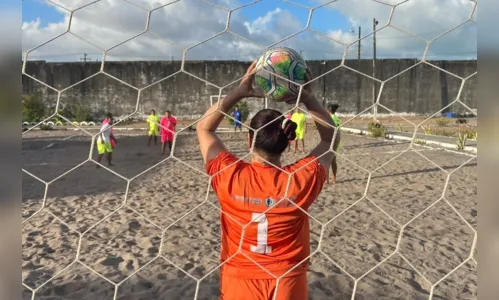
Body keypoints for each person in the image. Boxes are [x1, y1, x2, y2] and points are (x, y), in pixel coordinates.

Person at [196, 61, 339, 300]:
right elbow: (330, 139)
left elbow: (204, 129)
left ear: (249, 140)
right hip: (288, 279)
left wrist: (239, 92)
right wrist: (309, 98)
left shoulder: (229, 175)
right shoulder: (300, 179)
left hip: (239, 279)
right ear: (288, 141)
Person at [327, 103, 341, 184]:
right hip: (337, 141)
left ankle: (327, 179)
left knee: (327, 161)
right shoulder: (337, 118)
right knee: (333, 161)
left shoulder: (329, 118)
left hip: (330, 141)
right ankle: (334, 178)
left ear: (328, 110)